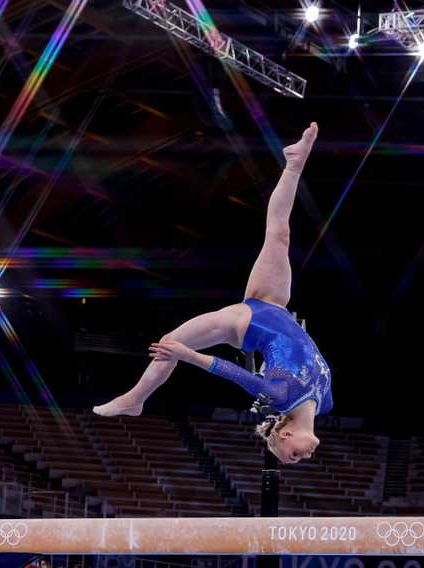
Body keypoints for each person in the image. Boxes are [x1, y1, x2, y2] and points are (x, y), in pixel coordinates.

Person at [93, 123, 332, 464]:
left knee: (169, 344)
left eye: (291, 456)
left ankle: (135, 398)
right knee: (279, 233)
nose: (303, 457)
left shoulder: (280, 397)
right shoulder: (326, 402)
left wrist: (186, 353)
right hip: (274, 305)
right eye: (297, 459)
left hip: (243, 322)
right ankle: (294, 164)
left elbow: (230, 372)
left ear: (284, 434)